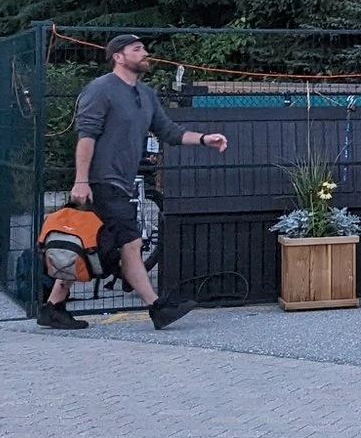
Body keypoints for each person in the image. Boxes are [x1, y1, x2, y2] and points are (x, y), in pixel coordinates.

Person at [39, 34, 228, 332]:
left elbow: (169, 131)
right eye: (136, 49)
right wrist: (81, 180)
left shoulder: (146, 94)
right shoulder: (101, 90)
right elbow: (86, 137)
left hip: (120, 184)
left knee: (87, 245)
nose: (145, 53)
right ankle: (157, 308)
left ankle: (53, 307)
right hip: (101, 182)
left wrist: (205, 139)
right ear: (118, 56)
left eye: (144, 49)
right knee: (131, 243)